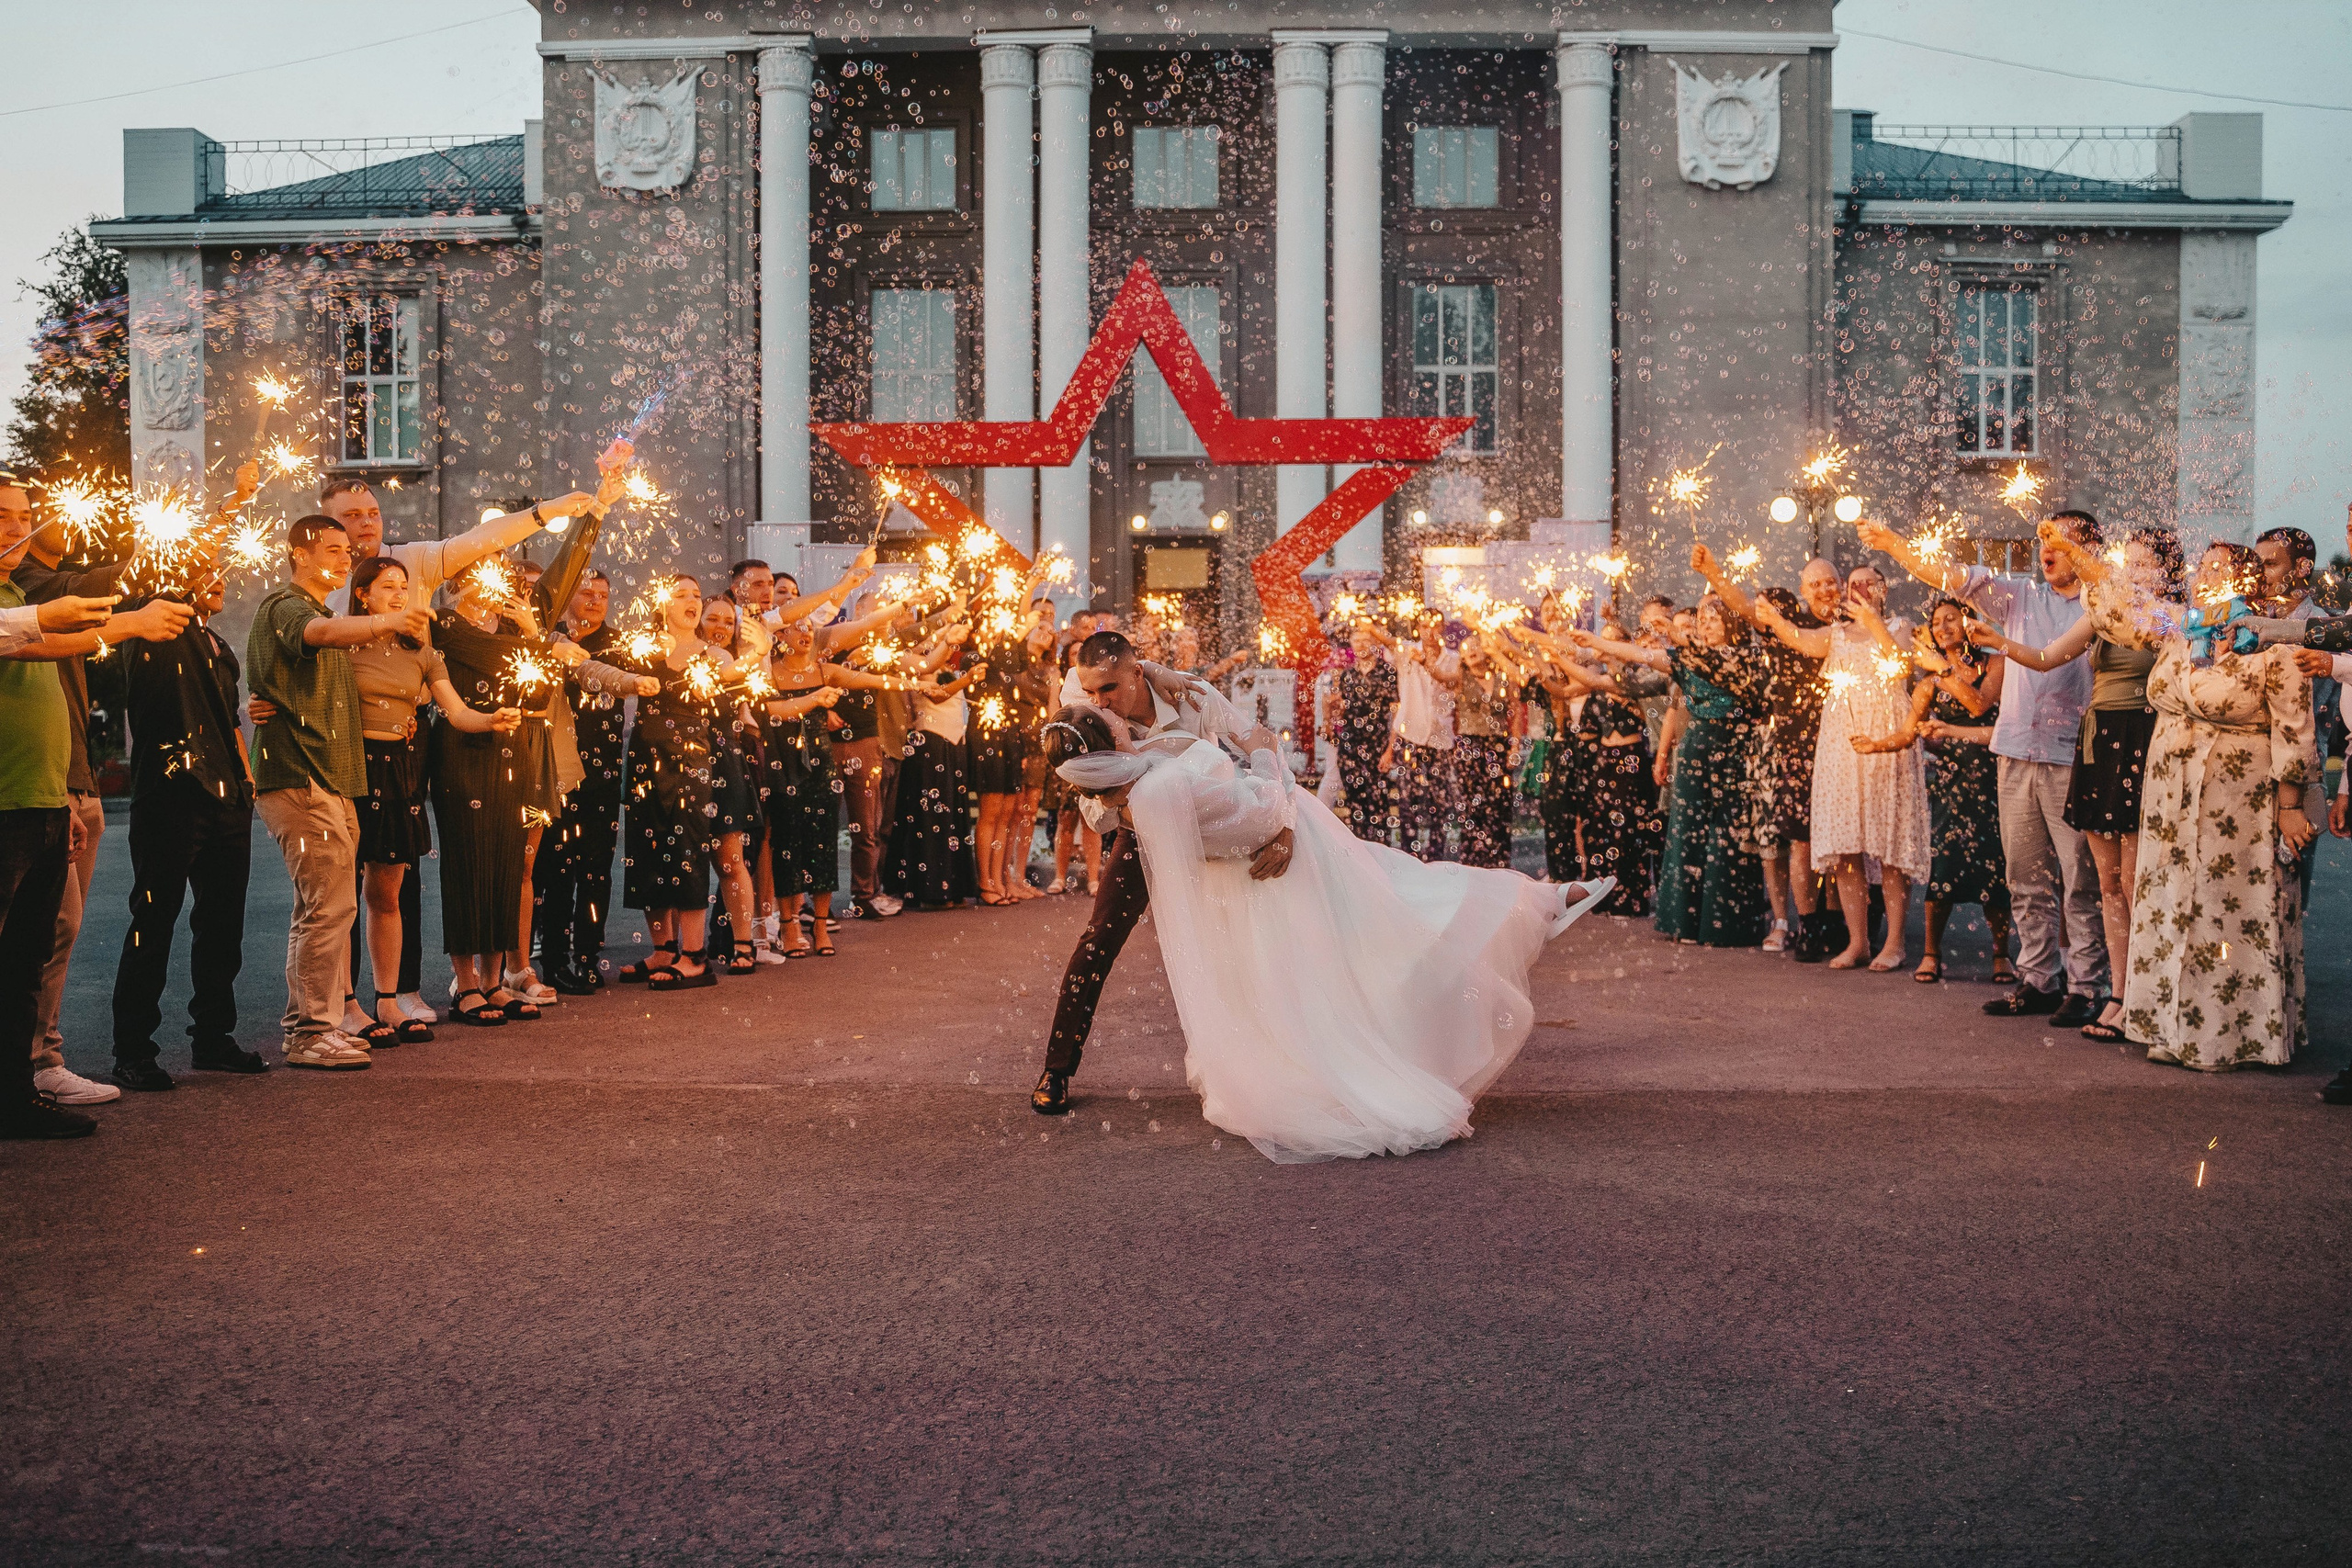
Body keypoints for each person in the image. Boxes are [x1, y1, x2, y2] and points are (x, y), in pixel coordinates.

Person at [1043, 699, 1612, 1161]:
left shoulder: (1148, 749)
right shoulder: (1156, 785)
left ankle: (1537, 902)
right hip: (1276, 853)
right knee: (1387, 917)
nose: (1104, 702)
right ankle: (1529, 904)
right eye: (1101, 705)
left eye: (1108, 694)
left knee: (1379, 911)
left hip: (1247, 868)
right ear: (1112, 742)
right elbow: (1259, 810)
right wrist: (1268, 763)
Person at [2062, 526, 2313, 1069]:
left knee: (2225, 912)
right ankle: (2170, 1027)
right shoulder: (2182, 631)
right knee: (2174, 906)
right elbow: (2121, 611)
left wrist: (2290, 805)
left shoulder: (2275, 643)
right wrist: (2081, 559)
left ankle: (2232, 1037)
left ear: (2246, 580)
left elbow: (2295, 728)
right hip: (2169, 803)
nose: (2205, 578)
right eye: (2202, 569)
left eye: (2220, 570)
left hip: (2238, 805)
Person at [1860, 513, 2109, 1022]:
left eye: (2060, 541)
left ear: (2088, 549)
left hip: (2070, 757)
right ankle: (2038, 978)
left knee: (2079, 879)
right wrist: (1894, 544)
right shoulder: (2021, 596)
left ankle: (2087, 986)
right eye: (2043, 539)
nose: (2047, 548)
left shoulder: (2102, 604)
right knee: (2025, 876)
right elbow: (1947, 575)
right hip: (2015, 753)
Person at [1966, 525, 2178, 1041]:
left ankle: (2120, 991)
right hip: (2099, 745)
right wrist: (2000, 642)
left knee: (2123, 882)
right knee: (2103, 883)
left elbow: (2145, 627)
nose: (2128, 570)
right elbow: (2044, 659)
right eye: (2124, 561)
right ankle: (2099, 992)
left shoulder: (2174, 616)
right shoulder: (2103, 610)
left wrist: (2083, 557)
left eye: (2139, 563)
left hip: (2140, 741)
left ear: (2165, 570)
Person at [0, 479, 165, 1135]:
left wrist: (61, 794)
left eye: (23, 517)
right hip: (4, 804)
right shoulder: (19, 601)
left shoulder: (17, 590)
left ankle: (16, 1096)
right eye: (1, 517)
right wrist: (124, 622)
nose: (15, 529)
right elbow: (20, 634)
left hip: (40, 797)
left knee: (25, 960)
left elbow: (45, 645)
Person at [247, 515, 433, 1069]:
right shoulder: (287, 605)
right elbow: (319, 634)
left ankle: (312, 1024)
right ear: (297, 553)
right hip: (301, 778)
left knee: (324, 910)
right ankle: (310, 1034)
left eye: (347, 551)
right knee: (327, 909)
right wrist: (392, 618)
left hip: (332, 780)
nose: (344, 557)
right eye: (331, 548)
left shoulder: (323, 613)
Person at [343, 555, 522, 1043]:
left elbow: (458, 711)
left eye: (404, 586)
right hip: (351, 770)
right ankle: (344, 1006)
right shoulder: (339, 641)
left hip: (398, 773)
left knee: (386, 894)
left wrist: (491, 719)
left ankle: (388, 1002)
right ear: (363, 594)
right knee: (339, 899)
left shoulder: (421, 649)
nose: (400, 594)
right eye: (387, 587)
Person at [111, 563, 266, 1085]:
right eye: (206, 570)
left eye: (225, 568)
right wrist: (234, 502)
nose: (221, 576)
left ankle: (213, 1038)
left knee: (222, 927)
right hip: (169, 799)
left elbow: (230, 725)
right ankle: (133, 1051)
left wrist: (245, 787)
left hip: (227, 801)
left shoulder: (218, 645)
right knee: (153, 925)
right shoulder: (154, 624)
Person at [1576, 596, 1768, 946]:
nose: (1706, 627)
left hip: (1736, 748)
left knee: (1728, 830)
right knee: (1689, 830)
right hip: (1696, 746)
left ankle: (1726, 923)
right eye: (1703, 621)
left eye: (1713, 620)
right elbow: (1645, 657)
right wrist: (1598, 642)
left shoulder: (1747, 657)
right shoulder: (1687, 659)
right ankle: (1687, 920)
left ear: (1732, 624)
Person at [1690, 548, 1845, 959]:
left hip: (1843, 742)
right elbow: (1743, 607)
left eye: (1831, 581)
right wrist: (1714, 572)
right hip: (1796, 745)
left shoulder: (1853, 622)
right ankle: (1808, 927)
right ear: (1802, 592)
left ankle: (1838, 924)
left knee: (1841, 839)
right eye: (1816, 584)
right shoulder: (1786, 622)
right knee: (1801, 841)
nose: (1825, 590)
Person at [1850, 598, 2012, 985]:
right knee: (1943, 870)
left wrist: (1942, 669)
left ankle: (2002, 955)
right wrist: (1877, 744)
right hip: (1949, 786)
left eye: (1951, 619)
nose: (1942, 627)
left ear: (1968, 623)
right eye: (1937, 623)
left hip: (1993, 782)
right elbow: (1909, 732)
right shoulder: (1928, 684)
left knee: (1996, 871)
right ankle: (1931, 952)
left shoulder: (1996, 666)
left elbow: (1978, 705)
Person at [536, 571, 626, 991]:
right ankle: (554, 961)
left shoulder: (619, 643)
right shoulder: (550, 640)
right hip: (559, 772)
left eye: (603, 595)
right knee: (557, 870)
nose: (595, 600)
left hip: (604, 773)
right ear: (569, 597)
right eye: (586, 593)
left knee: (597, 870)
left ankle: (589, 956)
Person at [885, 629, 986, 910]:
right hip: (929, 745)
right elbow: (937, 696)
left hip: (953, 747)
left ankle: (954, 885)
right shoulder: (918, 665)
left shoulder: (949, 669)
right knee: (931, 819)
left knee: (952, 817)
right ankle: (929, 888)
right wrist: (967, 679)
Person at [1449, 636, 1519, 870]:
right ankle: (1472, 862)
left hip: (1499, 744)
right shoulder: (1460, 677)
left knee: (1500, 805)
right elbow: (1440, 677)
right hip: (1470, 745)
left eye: (1475, 644)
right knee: (1471, 805)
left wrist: (1515, 746)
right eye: (1465, 648)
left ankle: (1499, 861)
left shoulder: (1502, 675)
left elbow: (1516, 711)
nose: (1471, 649)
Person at [1326, 620, 1398, 844]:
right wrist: (1330, 718)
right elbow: (1335, 705)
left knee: (1378, 803)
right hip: (1349, 745)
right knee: (1354, 801)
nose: (1360, 645)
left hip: (1377, 744)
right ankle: (1359, 851)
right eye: (1356, 640)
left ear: (1376, 644)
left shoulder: (1388, 673)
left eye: (1365, 640)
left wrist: (1390, 750)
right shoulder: (1346, 675)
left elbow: (1396, 713)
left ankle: (1381, 851)